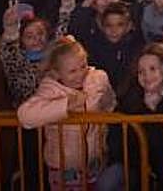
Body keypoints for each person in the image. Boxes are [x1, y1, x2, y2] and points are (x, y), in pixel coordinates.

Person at [16, 35, 119, 191]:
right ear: (57, 73)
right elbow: (25, 116)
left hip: (95, 160)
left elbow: (110, 103)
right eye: (72, 71)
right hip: (63, 167)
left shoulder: (98, 78)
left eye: (83, 66)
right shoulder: (49, 89)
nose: (80, 74)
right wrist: (65, 106)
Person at [116, 43, 163, 189]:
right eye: (141, 71)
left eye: (153, 69)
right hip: (138, 172)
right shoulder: (128, 100)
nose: (147, 76)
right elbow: (119, 142)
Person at [70, 0, 145, 91]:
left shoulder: (135, 43)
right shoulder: (94, 43)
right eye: (109, 26)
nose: (114, 30)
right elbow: (76, 30)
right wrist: (86, 4)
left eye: (120, 25)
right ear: (103, 27)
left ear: (129, 26)